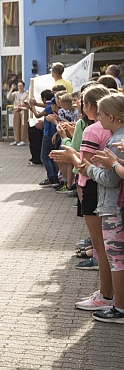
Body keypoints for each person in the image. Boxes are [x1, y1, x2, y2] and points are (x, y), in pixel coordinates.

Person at [68, 93, 124, 322]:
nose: (99, 119)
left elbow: (111, 179)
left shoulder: (115, 141)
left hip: (113, 207)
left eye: (101, 115)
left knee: (116, 259)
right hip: (114, 205)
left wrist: (89, 170)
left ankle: (119, 308)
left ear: (111, 116)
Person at [7, 81, 28, 145]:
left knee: (23, 125)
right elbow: (8, 97)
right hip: (16, 110)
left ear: (23, 86)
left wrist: (22, 106)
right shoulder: (15, 93)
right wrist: (12, 89)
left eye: (21, 86)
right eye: (19, 86)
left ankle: (23, 140)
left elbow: (27, 102)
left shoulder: (26, 94)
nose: (20, 87)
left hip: (23, 110)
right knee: (16, 125)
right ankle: (17, 140)